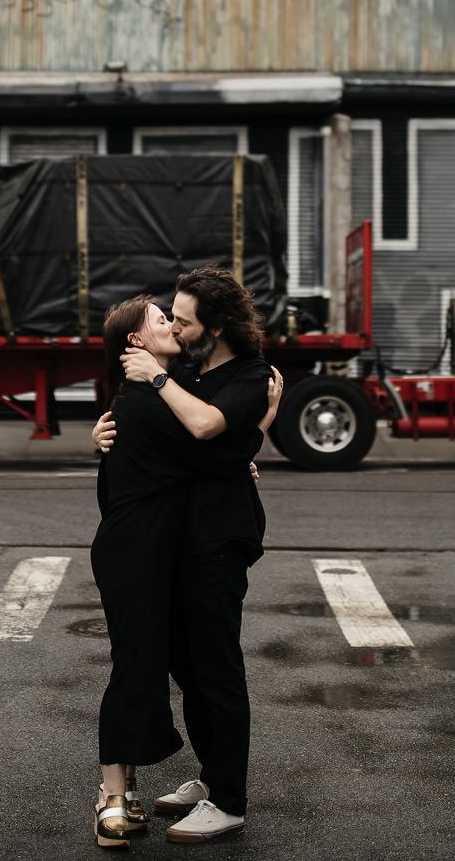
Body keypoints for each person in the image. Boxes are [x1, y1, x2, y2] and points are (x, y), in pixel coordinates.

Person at [93, 267, 281, 846]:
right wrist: (105, 434)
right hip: (178, 543)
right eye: (168, 317)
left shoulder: (250, 374)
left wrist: (256, 429)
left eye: (183, 320)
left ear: (215, 326)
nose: (174, 326)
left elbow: (207, 434)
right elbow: (162, 443)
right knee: (190, 668)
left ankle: (228, 801)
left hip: (219, 540)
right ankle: (211, 775)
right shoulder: (192, 371)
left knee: (216, 668)